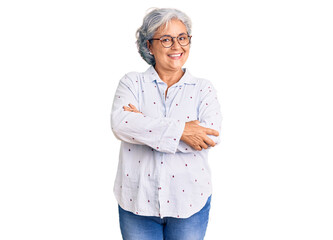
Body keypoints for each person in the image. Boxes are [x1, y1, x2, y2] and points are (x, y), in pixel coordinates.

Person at [111, 8, 222, 240]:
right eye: (166, 39)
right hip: (137, 203)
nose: (177, 46)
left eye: (182, 38)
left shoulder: (204, 89)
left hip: (189, 203)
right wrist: (183, 130)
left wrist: (144, 126)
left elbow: (210, 137)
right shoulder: (132, 82)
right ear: (149, 45)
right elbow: (121, 124)